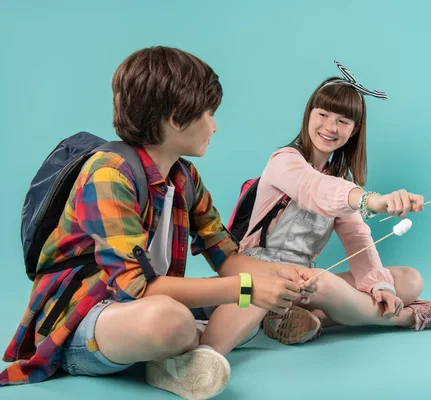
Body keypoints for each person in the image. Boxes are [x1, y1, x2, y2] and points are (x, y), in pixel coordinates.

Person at [0, 46, 317, 400]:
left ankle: (197, 359)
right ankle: (196, 343)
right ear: (175, 119)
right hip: (88, 319)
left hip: (147, 304)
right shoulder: (108, 174)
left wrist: (274, 277)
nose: (214, 125)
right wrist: (246, 289)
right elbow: (135, 288)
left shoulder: (184, 176)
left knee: (264, 275)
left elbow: (226, 256)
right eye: (208, 113)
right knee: (173, 319)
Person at [199, 61, 431, 352]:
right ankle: (410, 317)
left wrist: (380, 287)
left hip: (303, 279)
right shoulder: (284, 161)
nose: (330, 127)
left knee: (408, 280)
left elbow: (358, 240)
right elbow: (314, 189)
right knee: (327, 283)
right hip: (260, 271)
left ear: (354, 130)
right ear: (309, 115)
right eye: (323, 114)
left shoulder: (340, 180)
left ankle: (306, 318)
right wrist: (373, 201)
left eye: (343, 121)